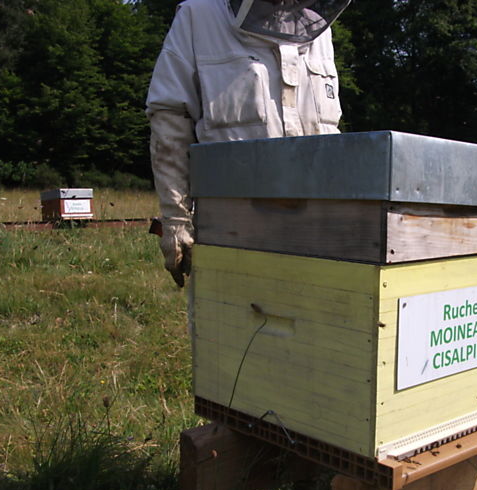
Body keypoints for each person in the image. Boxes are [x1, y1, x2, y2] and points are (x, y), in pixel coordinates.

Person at [147, 0, 351, 287]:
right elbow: (170, 121)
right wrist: (177, 221)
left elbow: (329, 128)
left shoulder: (317, 28)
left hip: (317, 232)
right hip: (231, 234)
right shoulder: (199, 16)